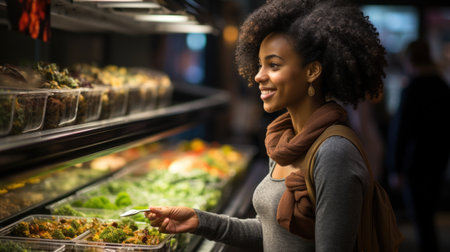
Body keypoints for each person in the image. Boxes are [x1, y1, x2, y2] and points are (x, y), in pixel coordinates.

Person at [145, 0, 387, 251]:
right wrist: (199, 220)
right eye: (260, 64)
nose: (259, 76)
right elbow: (271, 232)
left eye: (273, 65)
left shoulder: (333, 153)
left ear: (312, 71)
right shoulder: (286, 142)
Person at [388, 39, 450, 252]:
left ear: (410, 59)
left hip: (415, 162)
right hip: (438, 158)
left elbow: (402, 132)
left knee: (419, 215)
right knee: (429, 211)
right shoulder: (442, 85)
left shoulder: (412, 87)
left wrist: (396, 168)